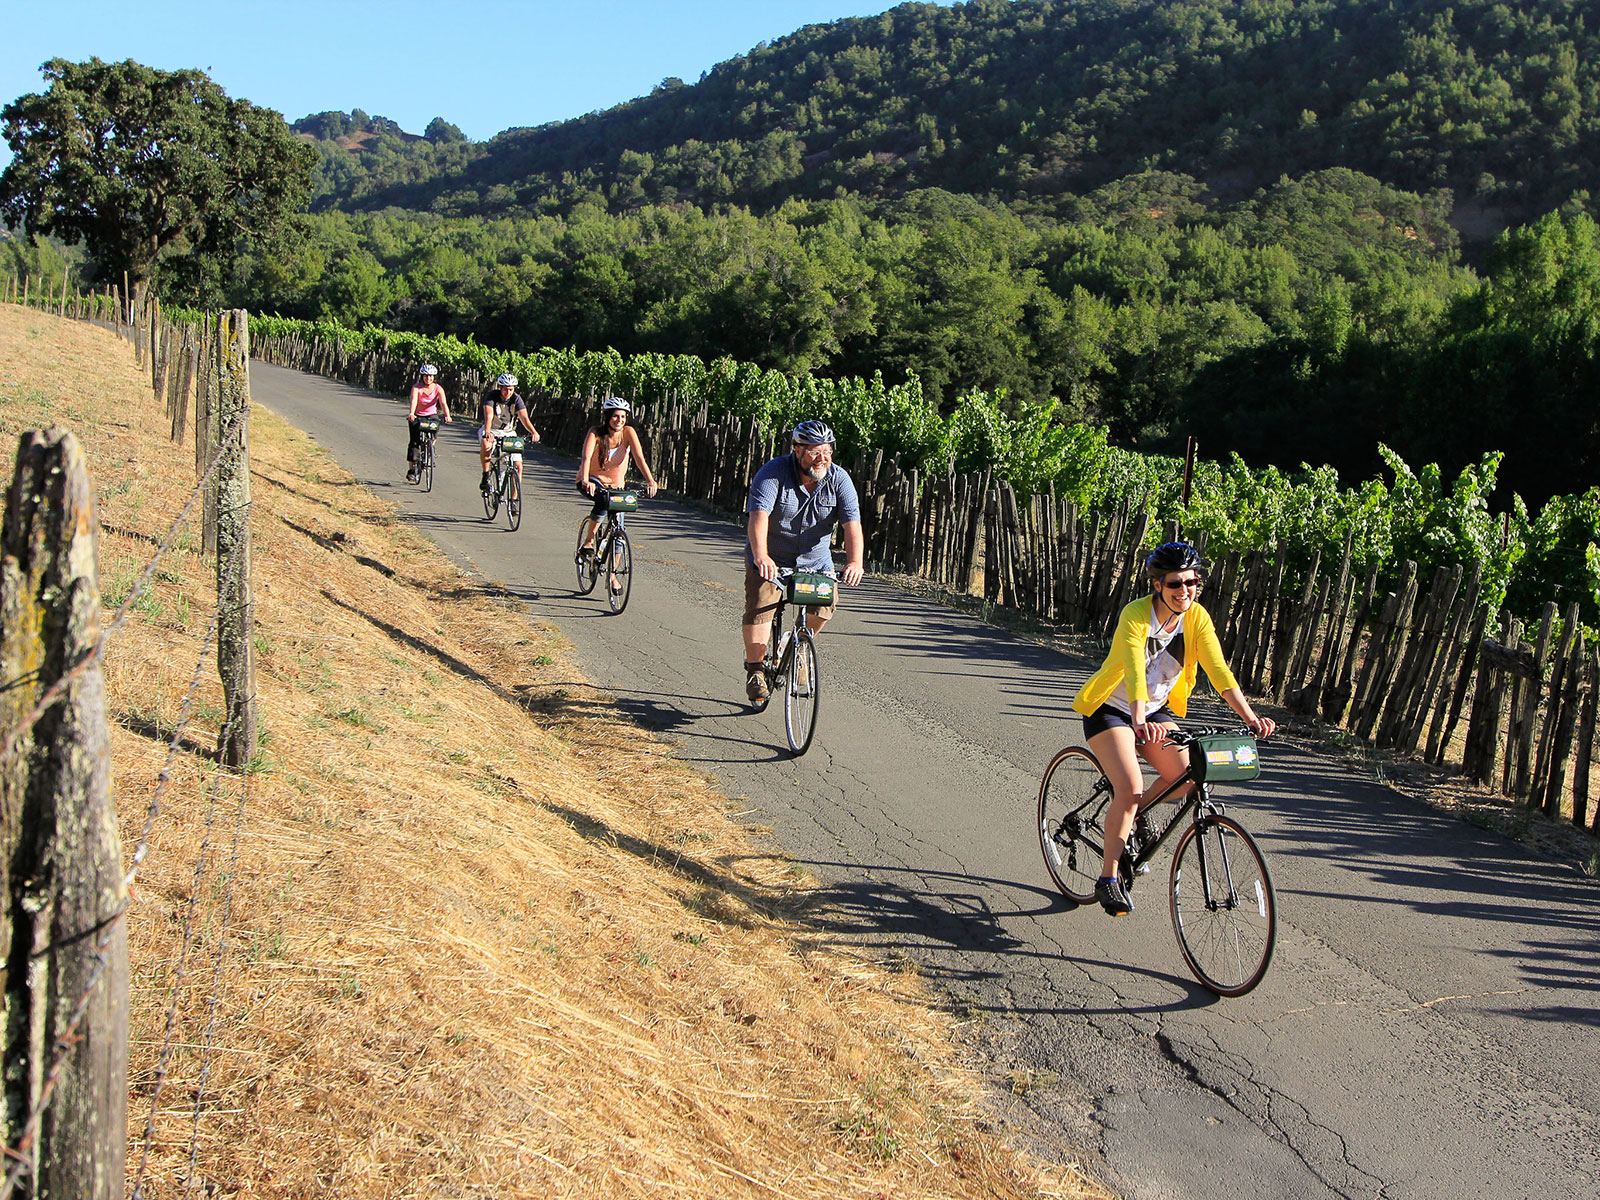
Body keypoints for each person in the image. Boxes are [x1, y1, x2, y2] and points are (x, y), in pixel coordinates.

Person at [1071, 540, 1275, 916]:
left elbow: (1219, 671)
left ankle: (1132, 816)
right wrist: (1137, 719)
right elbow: (1134, 668)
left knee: (1187, 775)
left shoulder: (1196, 617)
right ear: (1157, 585)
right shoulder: (1135, 614)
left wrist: (1250, 717)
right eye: (1175, 584)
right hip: (1113, 710)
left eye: (1192, 582)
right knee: (1130, 786)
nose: (1185, 591)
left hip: (1156, 710)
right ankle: (1109, 878)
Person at [742, 419, 864, 703]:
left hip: (815, 561)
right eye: (814, 452)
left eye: (828, 452)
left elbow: (852, 525)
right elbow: (758, 517)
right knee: (761, 605)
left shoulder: (839, 479)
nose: (822, 459)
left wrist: (855, 562)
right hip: (772, 556)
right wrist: (761, 556)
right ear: (797, 450)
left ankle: (799, 645)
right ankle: (756, 671)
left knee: (825, 603)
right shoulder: (772, 473)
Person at [576, 397, 659, 590]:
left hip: (616, 486)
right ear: (607, 417)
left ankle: (612, 575)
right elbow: (586, 457)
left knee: (619, 531)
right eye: (615, 416)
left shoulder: (628, 432)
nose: (619, 420)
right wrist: (586, 480)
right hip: (593, 480)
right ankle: (588, 542)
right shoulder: (595, 433)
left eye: (622, 417)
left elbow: (639, 458)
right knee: (603, 502)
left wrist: (650, 481)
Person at [479, 372, 540, 494]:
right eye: (506, 389)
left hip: (508, 432)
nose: (508, 393)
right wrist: (487, 432)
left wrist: (534, 432)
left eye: (511, 390)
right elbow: (489, 415)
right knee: (486, 444)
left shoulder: (516, 399)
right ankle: (485, 476)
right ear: (500, 387)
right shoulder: (492, 396)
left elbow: (524, 418)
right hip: (491, 429)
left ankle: (514, 500)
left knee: (517, 466)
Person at [405, 364, 451, 483]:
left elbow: (443, 403)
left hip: (431, 415)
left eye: (430, 376)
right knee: (414, 442)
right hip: (418, 415)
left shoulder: (438, 388)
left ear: (434, 377)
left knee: (434, 433)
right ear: (422, 376)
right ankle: (411, 470)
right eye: (426, 376)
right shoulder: (417, 387)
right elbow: (414, 400)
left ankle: (430, 448)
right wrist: (411, 413)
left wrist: (447, 415)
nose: (428, 378)